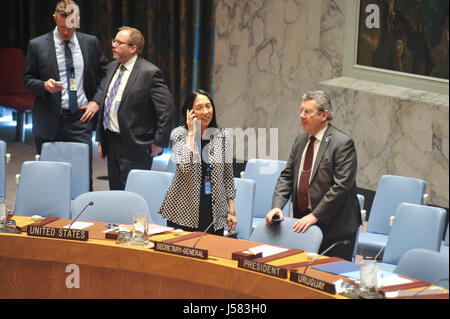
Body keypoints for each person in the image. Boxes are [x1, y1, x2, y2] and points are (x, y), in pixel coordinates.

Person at [266, 91, 361, 261]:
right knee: (300, 273)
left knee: (329, 278)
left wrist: (315, 215)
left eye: (307, 111)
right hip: (303, 221)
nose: (302, 116)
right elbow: (287, 176)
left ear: (324, 115)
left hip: (335, 227)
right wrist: (277, 206)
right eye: (301, 110)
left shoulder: (342, 143)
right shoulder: (301, 139)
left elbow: (341, 187)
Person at [23, 0, 108, 191]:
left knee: (82, 175)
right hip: (48, 119)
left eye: (69, 27)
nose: (65, 33)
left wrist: (96, 101)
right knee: (48, 176)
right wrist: (44, 85)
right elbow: (27, 79)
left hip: (80, 118)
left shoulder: (90, 43)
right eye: (61, 27)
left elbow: (105, 74)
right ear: (55, 18)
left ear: (77, 20)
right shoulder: (37, 45)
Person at [96, 26, 175, 190]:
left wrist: (159, 141)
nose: (113, 45)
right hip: (112, 139)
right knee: (115, 190)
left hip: (136, 144)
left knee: (134, 192)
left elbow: (166, 110)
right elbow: (106, 104)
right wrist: (101, 139)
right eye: (114, 41)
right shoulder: (112, 67)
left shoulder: (150, 73)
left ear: (133, 48)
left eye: (119, 42)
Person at [158, 89, 237, 235]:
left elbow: (227, 177)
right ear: (190, 112)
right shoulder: (179, 134)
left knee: (212, 253)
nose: (206, 111)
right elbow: (185, 166)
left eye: (208, 106)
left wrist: (231, 210)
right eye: (199, 108)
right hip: (183, 210)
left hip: (214, 210)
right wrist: (191, 132)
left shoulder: (222, 136)